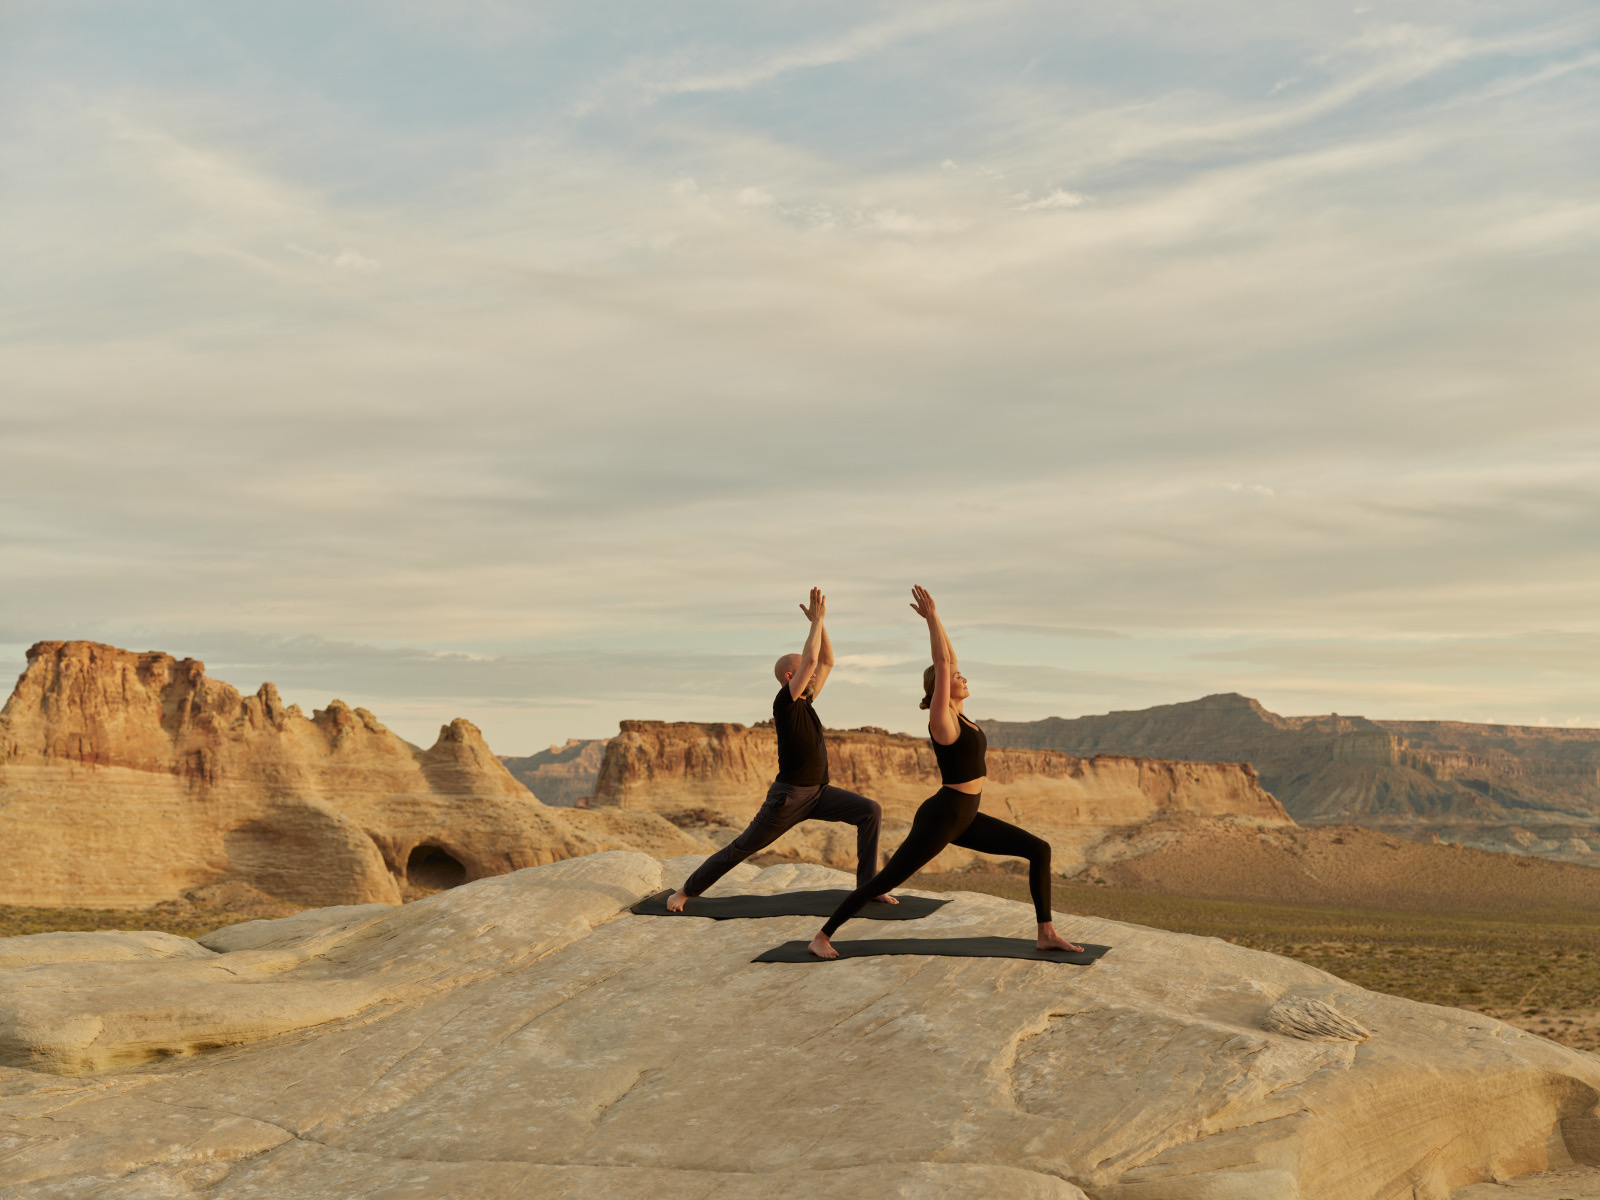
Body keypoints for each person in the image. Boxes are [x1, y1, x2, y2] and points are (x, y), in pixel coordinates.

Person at [808, 585, 1081, 958]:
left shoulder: (963, 716)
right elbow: (943, 663)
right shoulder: (943, 719)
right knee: (886, 880)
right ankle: (822, 937)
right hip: (944, 816)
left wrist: (939, 622)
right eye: (957, 677)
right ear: (939, 686)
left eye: (962, 674)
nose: (963, 677)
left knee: (1038, 849)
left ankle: (1046, 933)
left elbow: (949, 660)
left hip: (965, 815)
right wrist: (932, 619)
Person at [666, 587, 897, 911]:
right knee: (742, 847)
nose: (814, 673)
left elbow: (827, 660)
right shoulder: (785, 702)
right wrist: (814, 623)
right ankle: (685, 891)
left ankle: (868, 888)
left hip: (818, 793)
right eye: (805, 670)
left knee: (869, 810)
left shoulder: (806, 700)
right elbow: (815, 659)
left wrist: (822, 623)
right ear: (791, 676)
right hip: (788, 798)